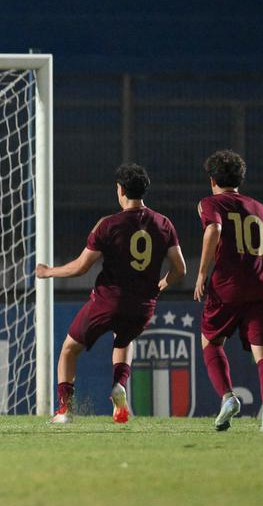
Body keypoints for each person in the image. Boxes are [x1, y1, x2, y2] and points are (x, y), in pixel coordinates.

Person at [36, 163, 186, 423]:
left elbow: (81, 267)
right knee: (124, 339)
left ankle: (65, 411)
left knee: (69, 349)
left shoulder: (108, 224)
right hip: (143, 306)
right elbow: (180, 269)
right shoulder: (164, 223)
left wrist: (48, 272)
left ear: (120, 190)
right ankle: (119, 385)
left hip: (109, 301)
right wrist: (163, 282)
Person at [193, 150, 263, 433]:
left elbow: (214, 229)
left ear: (212, 180)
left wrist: (202, 273)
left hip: (228, 286)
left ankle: (228, 397)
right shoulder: (261, 208)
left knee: (211, 341)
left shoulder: (210, 203)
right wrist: (260, 271)